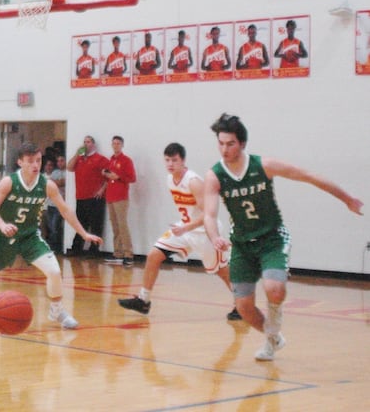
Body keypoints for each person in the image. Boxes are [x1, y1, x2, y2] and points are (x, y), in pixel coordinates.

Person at [203, 114, 363, 361]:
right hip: (242, 245)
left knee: (274, 288)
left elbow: (309, 176)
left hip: (272, 238)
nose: (224, 149)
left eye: (230, 143)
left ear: (242, 144)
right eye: (221, 143)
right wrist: (214, 237)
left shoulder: (264, 165)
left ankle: (273, 330)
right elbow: (210, 214)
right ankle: (273, 338)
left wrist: (346, 198)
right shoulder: (215, 175)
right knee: (244, 307)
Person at [0, 143, 102, 329]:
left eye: (38, 160)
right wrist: (2, 225)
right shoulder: (9, 182)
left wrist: (83, 233)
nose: (35, 165)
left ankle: (57, 310)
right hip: (3, 237)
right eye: (30, 161)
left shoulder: (47, 185)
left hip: (29, 236)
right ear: (20, 162)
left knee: (54, 271)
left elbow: (65, 209)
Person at [118, 143, 240, 319]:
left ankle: (242, 304)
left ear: (183, 161)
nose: (170, 164)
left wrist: (186, 227)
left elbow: (209, 213)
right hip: (185, 230)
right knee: (154, 254)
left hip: (207, 233)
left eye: (174, 160)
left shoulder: (193, 182)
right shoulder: (170, 179)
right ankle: (143, 300)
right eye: (167, 160)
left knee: (221, 271)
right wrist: (185, 227)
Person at [65, 135, 109, 257]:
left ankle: (94, 250)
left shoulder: (100, 159)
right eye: (84, 142)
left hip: (95, 197)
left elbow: (108, 177)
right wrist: (76, 154)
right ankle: (76, 248)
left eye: (88, 142)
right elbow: (69, 167)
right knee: (80, 223)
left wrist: (102, 190)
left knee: (95, 224)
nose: (86, 144)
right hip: (81, 196)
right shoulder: (79, 159)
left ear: (93, 144)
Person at [104, 136, 136, 265]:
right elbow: (109, 177)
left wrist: (118, 177)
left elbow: (132, 178)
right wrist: (106, 174)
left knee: (122, 225)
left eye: (118, 143)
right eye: (114, 143)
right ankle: (118, 253)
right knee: (115, 226)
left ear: (122, 145)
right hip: (110, 196)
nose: (116, 145)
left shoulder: (126, 160)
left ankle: (128, 254)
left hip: (121, 197)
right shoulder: (111, 160)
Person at [45, 154, 66, 254]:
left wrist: (54, 181)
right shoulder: (55, 172)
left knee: (55, 226)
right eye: (58, 161)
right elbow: (51, 185)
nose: (59, 163)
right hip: (50, 203)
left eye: (62, 160)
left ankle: (57, 247)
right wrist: (55, 182)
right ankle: (53, 245)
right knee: (50, 226)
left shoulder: (67, 173)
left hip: (60, 204)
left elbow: (61, 183)